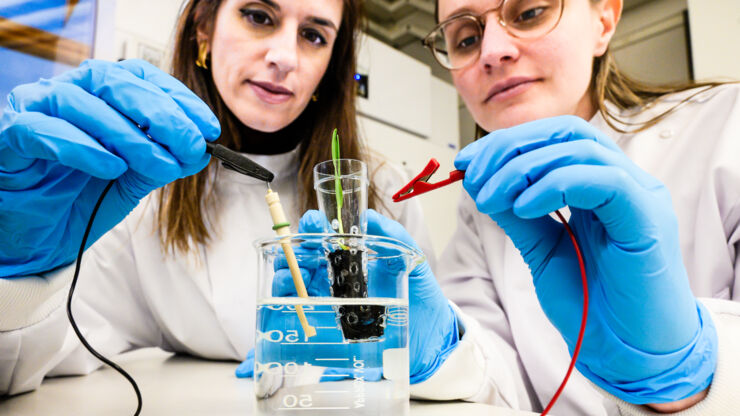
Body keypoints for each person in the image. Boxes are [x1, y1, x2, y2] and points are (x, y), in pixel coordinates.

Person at [298, 0, 738, 414]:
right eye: (466, 38)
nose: (493, 51)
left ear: (603, 18)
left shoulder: (726, 127)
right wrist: (440, 350)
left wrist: (688, 375)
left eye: (528, 12)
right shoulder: (480, 210)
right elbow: (498, 387)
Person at [0, 0, 436, 395]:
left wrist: (418, 356)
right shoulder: (139, 192)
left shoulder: (380, 190)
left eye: (314, 35)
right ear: (203, 29)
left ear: (330, 65)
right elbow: (28, 361)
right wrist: (17, 269)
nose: (285, 58)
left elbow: (444, 358)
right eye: (259, 16)